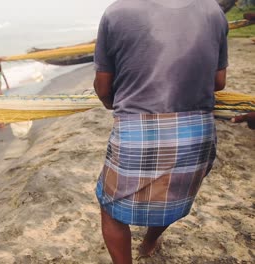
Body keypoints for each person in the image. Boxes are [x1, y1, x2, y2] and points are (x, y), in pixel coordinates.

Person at [93, 0, 228, 263]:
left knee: (110, 208)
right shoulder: (213, 10)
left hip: (137, 129)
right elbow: (219, 82)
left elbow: (103, 88)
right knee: (172, 201)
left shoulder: (117, 11)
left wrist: (117, 105)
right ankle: (149, 243)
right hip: (197, 130)